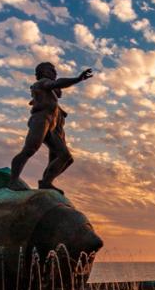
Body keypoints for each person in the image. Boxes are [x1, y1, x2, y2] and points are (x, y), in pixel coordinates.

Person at [8, 62, 93, 194]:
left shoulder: (49, 93)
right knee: (29, 149)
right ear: (43, 72)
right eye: (51, 70)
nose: (55, 72)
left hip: (51, 124)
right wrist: (78, 79)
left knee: (66, 157)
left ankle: (46, 182)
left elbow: (55, 94)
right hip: (40, 120)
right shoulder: (42, 83)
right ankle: (13, 180)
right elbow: (57, 83)